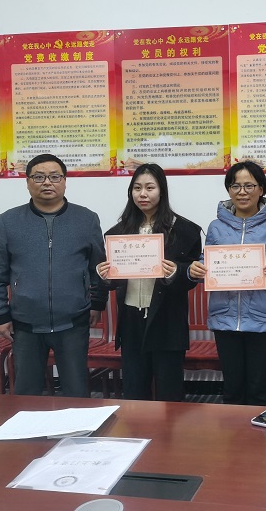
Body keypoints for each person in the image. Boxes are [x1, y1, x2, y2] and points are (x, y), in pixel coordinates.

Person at [0, 153, 106, 397]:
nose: (47, 182)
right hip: (25, 324)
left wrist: (97, 303)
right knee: (26, 394)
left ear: (65, 181)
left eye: (54, 177)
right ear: (27, 182)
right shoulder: (8, 222)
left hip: (73, 322)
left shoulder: (86, 219)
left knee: (76, 393)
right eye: (39, 177)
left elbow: (98, 267)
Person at [188, 161, 266, 405]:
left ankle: (258, 429)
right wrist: (196, 269)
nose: (242, 192)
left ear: (261, 189)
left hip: (264, 316)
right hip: (225, 317)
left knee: (259, 387)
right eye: (235, 186)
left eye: (249, 185)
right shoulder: (216, 227)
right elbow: (207, 260)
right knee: (232, 386)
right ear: (228, 190)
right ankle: (232, 430)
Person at [97, 164, 202, 401]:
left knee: (169, 393)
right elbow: (114, 281)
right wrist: (106, 276)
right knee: (134, 390)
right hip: (131, 319)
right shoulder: (118, 232)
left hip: (167, 319)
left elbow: (191, 277)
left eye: (149, 188)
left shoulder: (185, 231)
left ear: (161, 190)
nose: (142, 194)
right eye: (137, 188)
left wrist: (176, 272)